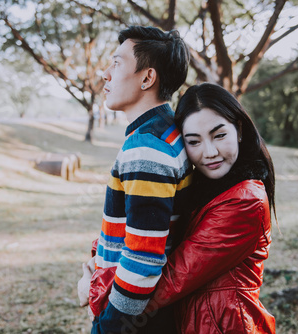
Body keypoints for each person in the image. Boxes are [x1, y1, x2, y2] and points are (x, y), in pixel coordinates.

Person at [87, 82, 277, 333]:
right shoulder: (198, 185)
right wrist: (99, 255)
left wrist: (97, 282)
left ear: (239, 130)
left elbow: (171, 281)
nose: (209, 152)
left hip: (222, 326)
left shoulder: (246, 201)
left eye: (219, 135)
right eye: (193, 141)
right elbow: (147, 231)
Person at [76, 26, 192, 333]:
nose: (105, 73)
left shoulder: (147, 147)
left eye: (116, 63)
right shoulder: (165, 132)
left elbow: (143, 257)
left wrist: (110, 325)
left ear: (147, 78)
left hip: (138, 319)